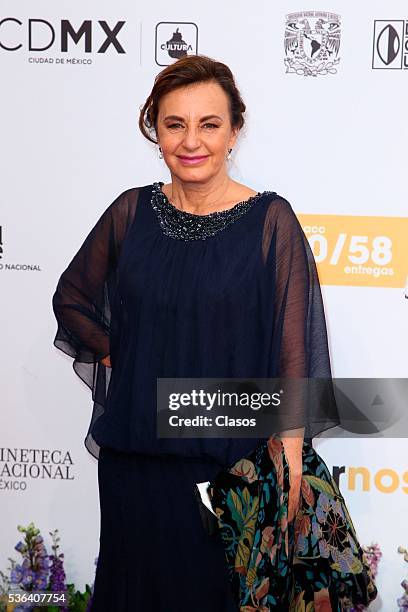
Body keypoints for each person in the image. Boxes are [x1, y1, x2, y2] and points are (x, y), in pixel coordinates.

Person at [52, 55, 377, 611]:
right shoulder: (131, 213)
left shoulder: (270, 220)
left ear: (234, 131)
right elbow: (72, 300)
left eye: (209, 124)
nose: (191, 141)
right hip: (136, 466)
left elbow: (293, 352)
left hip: (229, 474)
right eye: (175, 124)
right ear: (156, 132)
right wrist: (123, 357)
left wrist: (292, 464)